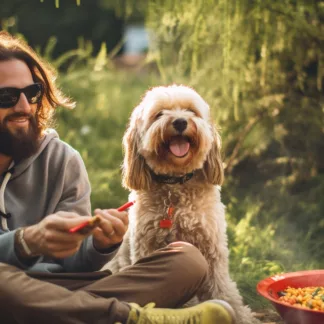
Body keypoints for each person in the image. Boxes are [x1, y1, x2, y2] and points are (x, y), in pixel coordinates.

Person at [0, 31, 235, 324]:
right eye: (6, 97)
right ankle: (130, 318)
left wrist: (100, 245)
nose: (24, 106)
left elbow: (74, 263)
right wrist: (26, 241)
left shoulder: (62, 160)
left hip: (70, 288)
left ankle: (61, 314)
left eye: (32, 93)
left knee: (188, 261)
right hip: (7, 285)